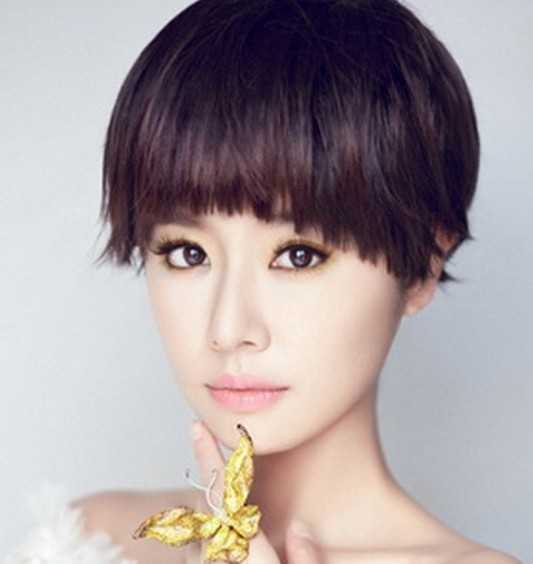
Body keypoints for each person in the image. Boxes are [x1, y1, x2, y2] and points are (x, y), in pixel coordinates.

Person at [3, 0, 521, 563]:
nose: (228, 329)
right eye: (187, 253)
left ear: (421, 267)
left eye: (298, 256)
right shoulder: (93, 537)